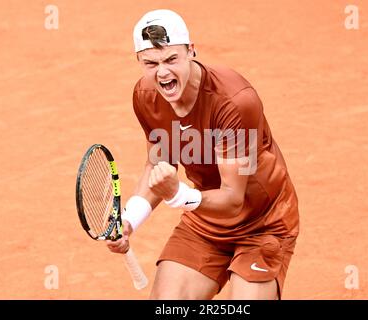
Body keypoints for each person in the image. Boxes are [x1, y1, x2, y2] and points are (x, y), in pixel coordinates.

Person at [106, 9, 299, 300]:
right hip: (207, 220)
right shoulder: (146, 96)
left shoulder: (234, 102)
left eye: (172, 59)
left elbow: (233, 200)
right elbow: (158, 164)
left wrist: (178, 194)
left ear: (191, 52)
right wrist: (130, 219)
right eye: (151, 63)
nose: (162, 72)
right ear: (139, 62)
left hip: (263, 222)